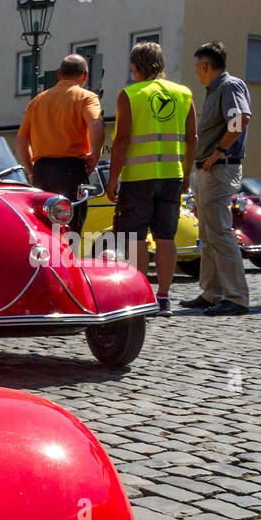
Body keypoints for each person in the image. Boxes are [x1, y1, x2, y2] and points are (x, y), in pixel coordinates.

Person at [106, 41, 196, 318]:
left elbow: (121, 141)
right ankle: (164, 298)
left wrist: (112, 179)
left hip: (138, 178)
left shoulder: (130, 95)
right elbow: (192, 138)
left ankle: (140, 296)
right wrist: (186, 173)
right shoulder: (183, 93)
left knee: (136, 238)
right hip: (172, 175)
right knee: (166, 236)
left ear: (136, 67)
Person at [181, 40, 253, 316]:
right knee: (208, 233)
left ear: (205, 66)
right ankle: (212, 293)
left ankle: (235, 297)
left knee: (220, 233)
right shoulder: (217, 89)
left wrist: (219, 151)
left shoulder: (228, 86)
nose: (197, 74)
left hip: (219, 168)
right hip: (209, 168)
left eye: (198, 68)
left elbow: (241, 118)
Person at [16, 54, 103, 239]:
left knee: (44, 230)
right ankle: (66, 267)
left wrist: (31, 172)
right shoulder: (87, 97)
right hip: (71, 171)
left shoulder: (37, 101)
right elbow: (96, 125)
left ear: (59, 75)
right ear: (85, 76)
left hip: (42, 171)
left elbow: (21, 142)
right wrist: (95, 155)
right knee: (69, 231)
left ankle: (45, 266)